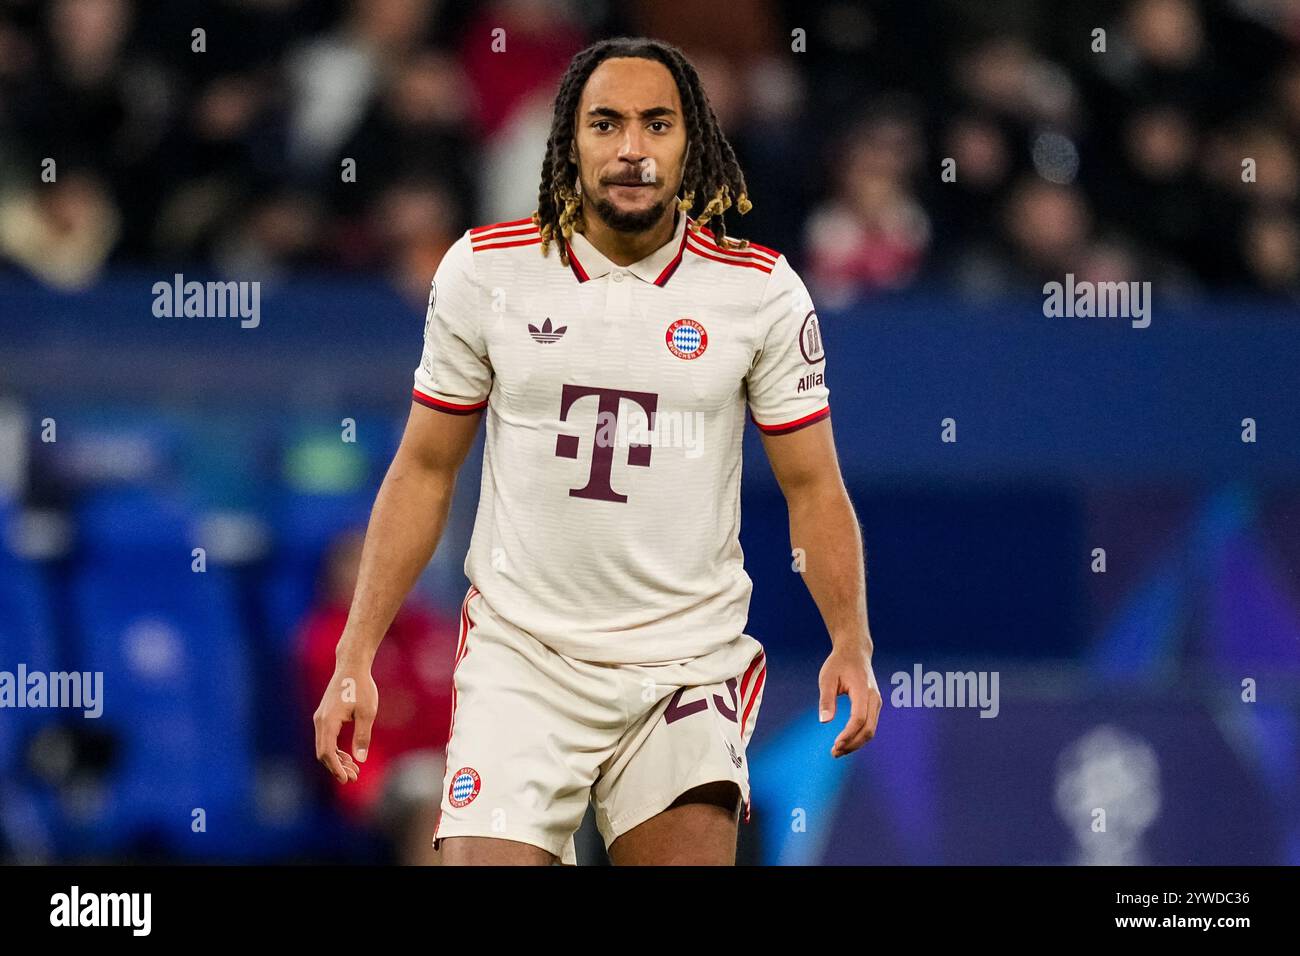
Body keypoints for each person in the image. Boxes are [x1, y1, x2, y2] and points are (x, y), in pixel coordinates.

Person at [313, 36, 882, 866]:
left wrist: (851, 640)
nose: (631, 148)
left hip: (684, 665)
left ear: (692, 146)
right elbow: (426, 468)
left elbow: (815, 489)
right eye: (606, 123)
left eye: (657, 125)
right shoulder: (485, 272)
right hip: (523, 661)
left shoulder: (760, 292)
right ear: (568, 142)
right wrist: (356, 649)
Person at [297, 529, 455, 865]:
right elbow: (336, 734)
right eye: (361, 566)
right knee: (432, 792)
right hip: (371, 778)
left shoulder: (432, 631)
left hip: (443, 765)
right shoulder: (329, 642)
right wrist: (365, 781)